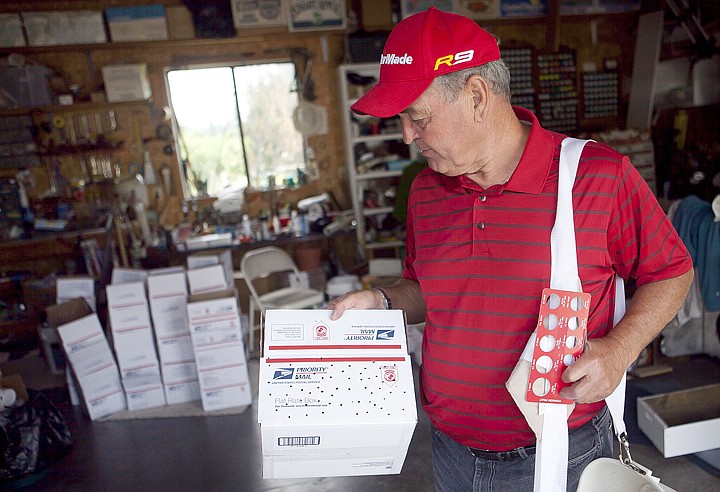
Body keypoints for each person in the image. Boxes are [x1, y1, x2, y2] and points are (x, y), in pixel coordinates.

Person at [327, 7, 694, 492]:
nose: (407, 136)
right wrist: (381, 301)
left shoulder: (595, 177)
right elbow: (428, 289)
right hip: (451, 452)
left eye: (417, 117)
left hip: (563, 454)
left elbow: (671, 270)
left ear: (476, 95)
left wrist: (619, 351)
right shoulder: (426, 191)